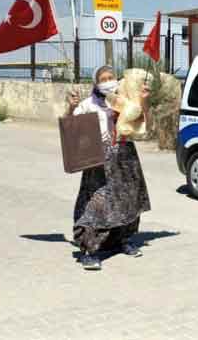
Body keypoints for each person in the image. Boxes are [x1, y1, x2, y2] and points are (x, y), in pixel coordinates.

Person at [66, 65, 151, 271]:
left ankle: (124, 241)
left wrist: (144, 101)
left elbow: (143, 124)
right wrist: (70, 107)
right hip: (97, 162)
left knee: (128, 200)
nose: (107, 81)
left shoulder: (126, 101)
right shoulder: (88, 104)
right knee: (95, 205)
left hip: (124, 157)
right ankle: (89, 251)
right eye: (102, 78)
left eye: (111, 77)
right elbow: (71, 128)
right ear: (96, 83)